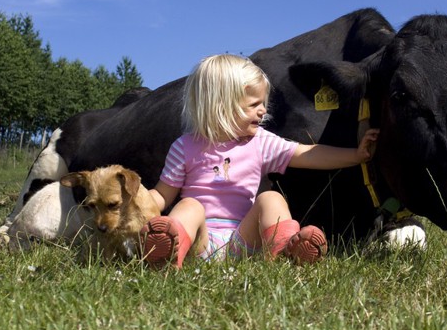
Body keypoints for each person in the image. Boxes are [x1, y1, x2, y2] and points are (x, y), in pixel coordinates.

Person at [141, 54, 378, 268]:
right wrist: (135, 200)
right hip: (198, 241)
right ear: (220, 107)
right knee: (190, 206)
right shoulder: (184, 147)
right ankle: (168, 253)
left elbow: (306, 153)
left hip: (243, 241)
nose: (263, 111)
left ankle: (286, 250)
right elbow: (162, 196)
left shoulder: (260, 142)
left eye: (263, 103)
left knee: (271, 198)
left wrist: (355, 155)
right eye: (254, 105)